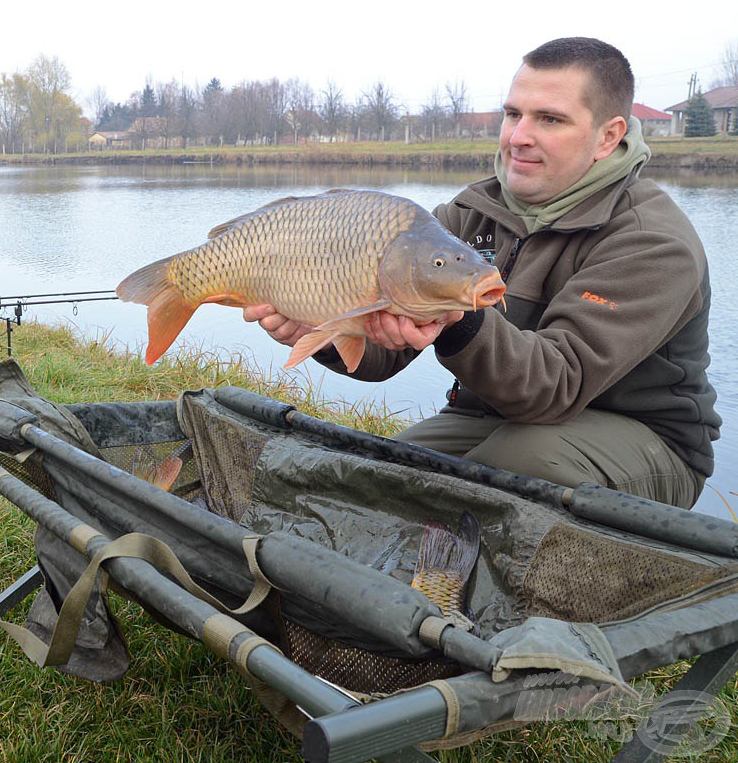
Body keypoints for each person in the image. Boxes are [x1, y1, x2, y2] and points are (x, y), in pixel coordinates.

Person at [244, 37, 719, 509]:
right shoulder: (468, 215)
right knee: (367, 478)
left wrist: (458, 320)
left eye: (549, 119)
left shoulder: (651, 241)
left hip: (643, 440)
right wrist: (323, 330)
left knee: (516, 467)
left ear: (609, 136)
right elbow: (385, 355)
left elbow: (554, 385)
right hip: (491, 416)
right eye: (513, 114)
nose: (518, 137)